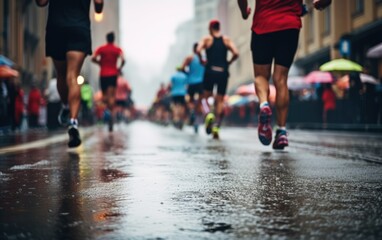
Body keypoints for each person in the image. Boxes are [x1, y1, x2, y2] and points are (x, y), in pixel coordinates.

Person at [237, 0, 331, 149]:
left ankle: (264, 105)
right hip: (290, 26)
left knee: (261, 76)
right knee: (281, 79)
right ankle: (281, 131)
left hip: (263, 25)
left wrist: (244, 12)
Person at [36, 0, 104, 148]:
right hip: (79, 28)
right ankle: (73, 122)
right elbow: (98, 5)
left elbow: (41, 2)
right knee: (72, 76)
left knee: (61, 74)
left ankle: (66, 106)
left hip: (57, 27)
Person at [196, 19, 239, 139]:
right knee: (220, 100)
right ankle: (216, 126)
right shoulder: (226, 40)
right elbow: (236, 53)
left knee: (205, 97)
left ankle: (209, 115)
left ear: (210, 29)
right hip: (223, 72)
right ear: (219, 28)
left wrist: (201, 60)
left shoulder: (207, 39)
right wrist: (228, 62)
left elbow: (198, 50)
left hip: (210, 71)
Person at [92, 32, 125, 132]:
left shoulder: (101, 49)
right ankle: (111, 114)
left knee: (105, 96)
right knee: (112, 96)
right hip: (113, 75)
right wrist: (119, 68)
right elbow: (123, 60)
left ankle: (107, 111)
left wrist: (100, 63)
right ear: (113, 39)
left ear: (107, 39)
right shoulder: (117, 49)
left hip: (103, 75)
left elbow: (93, 58)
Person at [181, 43, 205, 133]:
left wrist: (188, 74)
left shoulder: (190, 58)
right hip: (201, 82)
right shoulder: (204, 59)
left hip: (191, 82)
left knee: (190, 100)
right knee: (199, 102)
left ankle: (191, 111)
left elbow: (182, 67)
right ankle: (196, 123)